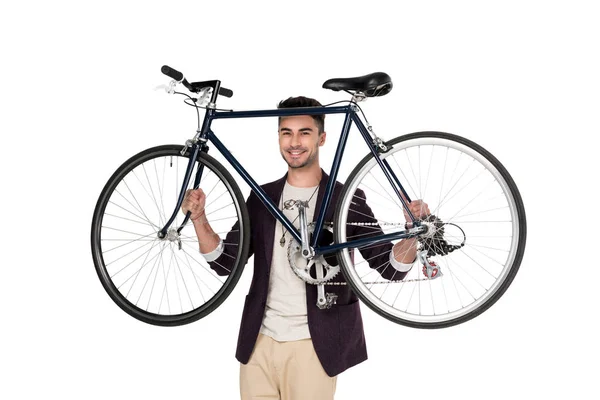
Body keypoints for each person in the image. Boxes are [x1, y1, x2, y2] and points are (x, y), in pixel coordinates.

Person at [182, 96, 430, 400]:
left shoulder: (345, 197)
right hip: (259, 343)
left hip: (316, 345)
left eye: (304, 132)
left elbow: (389, 267)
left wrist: (415, 233)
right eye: (286, 132)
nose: (294, 142)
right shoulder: (263, 197)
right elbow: (225, 263)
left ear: (321, 138)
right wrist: (198, 218)